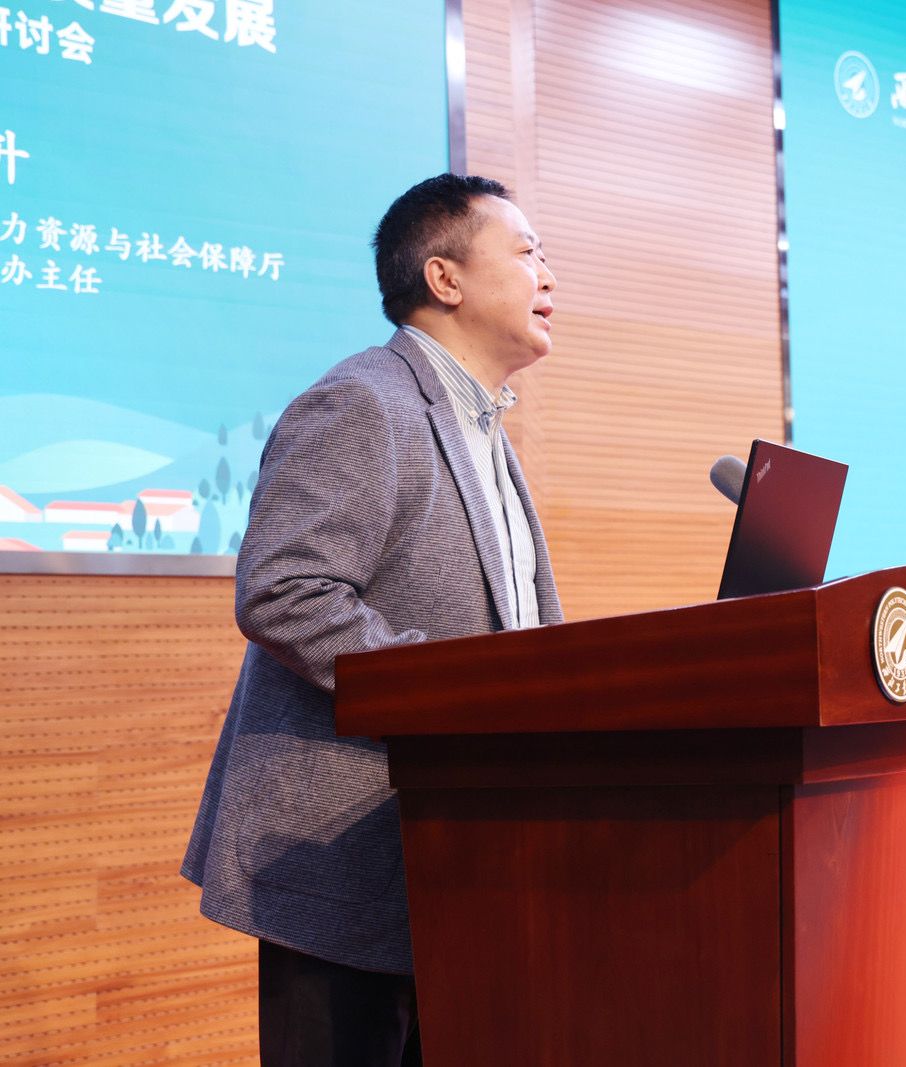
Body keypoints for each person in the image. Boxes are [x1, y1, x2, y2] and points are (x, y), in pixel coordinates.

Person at [182, 173, 561, 1065]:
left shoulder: (483, 428)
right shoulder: (364, 400)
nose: (548, 274)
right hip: (342, 853)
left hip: (453, 855)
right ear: (444, 277)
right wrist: (449, 693)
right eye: (527, 252)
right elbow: (284, 589)